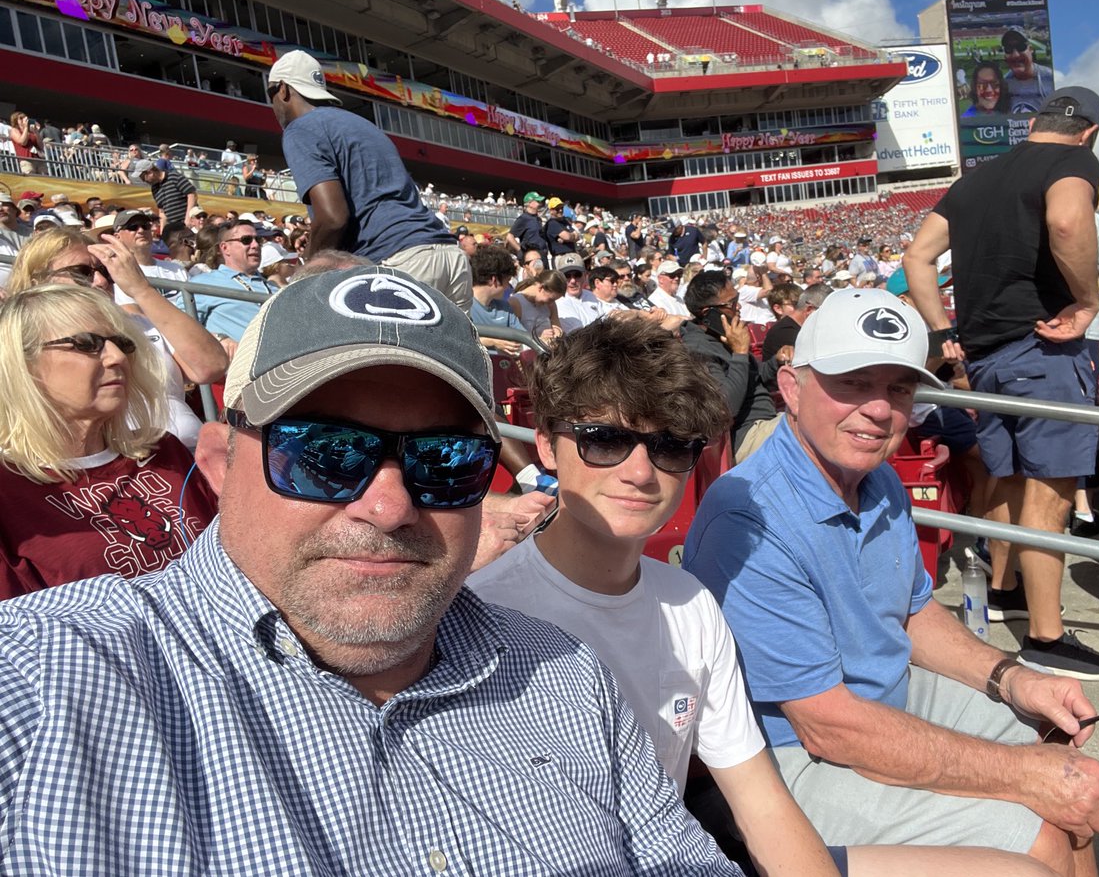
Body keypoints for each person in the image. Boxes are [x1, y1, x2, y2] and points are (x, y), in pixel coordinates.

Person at [0, 266, 737, 873]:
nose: (388, 506)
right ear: (221, 462)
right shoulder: (49, 680)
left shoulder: (568, 672)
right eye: (324, 453)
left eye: (444, 461)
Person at [684, 288, 1099, 876]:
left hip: (876, 698)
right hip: (785, 757)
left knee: (1057, 767)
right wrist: (1026, 778)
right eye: (852, 381)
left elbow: (911, 611)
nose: (877, 409)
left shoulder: (877, 479)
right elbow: (827, 727)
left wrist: (1013, 677)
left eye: (897, 387)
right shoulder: (750, 518)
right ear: (791, 389)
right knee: (1037, 831)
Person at [904, 86, 1099, 680]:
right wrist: (1086, 299)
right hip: (1042, 348)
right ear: (1089, 131)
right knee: (1049, 490)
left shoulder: (977, 177)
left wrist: (938, 331)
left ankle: (1004, 589)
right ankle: (1048, 637)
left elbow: (917, 258)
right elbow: (1065, 218)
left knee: (1007, 480)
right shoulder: (1073, 160)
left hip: (986, 357)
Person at [0, 285, 217, 597]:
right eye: (88, 344)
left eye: (121, 343)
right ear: (25, 365)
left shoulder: (165, 452)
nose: (117, 357)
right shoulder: (8, 493)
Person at [268, 50, 470, 312]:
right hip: (449, 256)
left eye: (269, 94)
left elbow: (333, 217)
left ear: (283, 90)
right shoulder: (361, 124)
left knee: (383, 353)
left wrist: (307, 269)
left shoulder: (300, 129)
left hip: (399, 261)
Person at [8, 227, 227, 449]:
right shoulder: (23, 341)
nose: (101, 281)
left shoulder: (138, 323)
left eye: (106, 271)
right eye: (81, 272)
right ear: (38, 282)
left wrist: (142, 289)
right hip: (113, 470)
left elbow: (211, 365)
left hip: (187, 462)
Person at [681, 271, 778, 462]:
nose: (739, 307)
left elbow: (758, 377)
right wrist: (740, 352)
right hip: (745, 436)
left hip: (766, 424)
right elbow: (726, 406)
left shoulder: (723, 336)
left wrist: (777, 361)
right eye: (732, 303)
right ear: (708, 313)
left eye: (738, 299)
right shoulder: (698, 349)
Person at [182, 220, 276, 344]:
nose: (255, 245)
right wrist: (218, 338)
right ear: (225, 248)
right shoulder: (204, 284)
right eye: (246, 240)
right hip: (238, 359)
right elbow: (179, 327)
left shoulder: (274, 288)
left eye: (258, 240)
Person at [1001, 28, 1054, 115]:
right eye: (1009, 49)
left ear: (1030, 49)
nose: (1015, 55)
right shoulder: (1003, 86)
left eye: (1021, 47)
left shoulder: (1050, 78)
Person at [508, 268, 565, 345]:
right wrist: (539, 339)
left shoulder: (550, 304)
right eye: (550, 299)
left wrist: (556, 333)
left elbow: (557, 325)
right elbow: (514, 339)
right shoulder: (516, 303)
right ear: (540, 288)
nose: (551, 303)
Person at [140, 163, 198, 234]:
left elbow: (192, 195)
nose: (144, 181)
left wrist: (188, 218)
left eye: (143, 178)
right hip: (174, 228)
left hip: (190, 224)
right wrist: (162, 231)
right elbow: (162, 212)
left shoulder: (174, 177)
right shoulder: (154, 189)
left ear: (150, 172)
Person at [504, 192, 548, 258]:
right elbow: (509, 237)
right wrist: (520, 251)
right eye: (537, 201)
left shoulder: (538, 219)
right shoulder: (523, 218)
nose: (540, 203)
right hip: (531, 257)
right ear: (530, 203)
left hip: (542, 255)